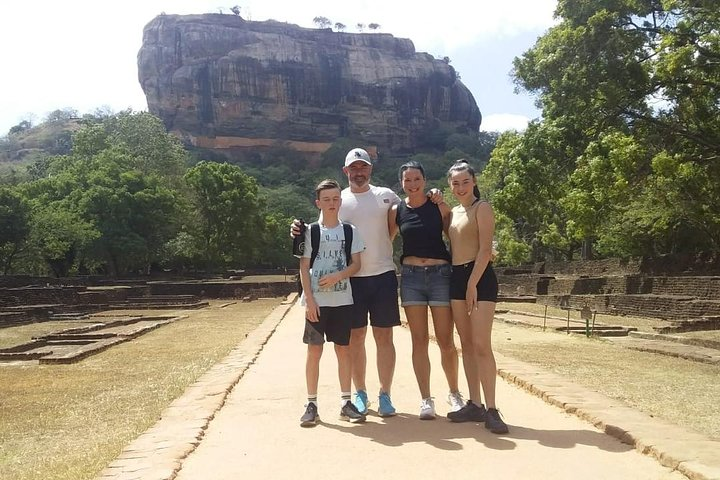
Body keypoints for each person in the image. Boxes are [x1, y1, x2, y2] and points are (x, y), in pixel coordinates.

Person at [293, 148, 401, 417]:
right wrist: (294, 230)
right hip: (352, 282)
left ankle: (385, 394)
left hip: (383, 273)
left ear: (370, 169)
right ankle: (360, 394)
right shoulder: (340, 200)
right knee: (355, 338)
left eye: (363, 167)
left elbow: (403, 217)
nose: (359, 172)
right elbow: (316, 232)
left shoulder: (386, 195)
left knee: (384, 336)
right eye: (354, 168)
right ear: (346, 172)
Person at [387, 161, 465, 420]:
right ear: (401, 183)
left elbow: (455, 234)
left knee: (445, 341)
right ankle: (425, 399)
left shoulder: (438, 206)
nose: (412, 184)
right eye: (407, 180)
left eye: (416, 178)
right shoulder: (397, 210)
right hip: (411, 278)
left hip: (440, 275)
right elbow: (385, 241)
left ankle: (454, 394)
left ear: (424, 179)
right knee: (418, 340)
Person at [445, 159, 509, 434]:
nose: (461, 187)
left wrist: (473, 284)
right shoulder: (454, 213)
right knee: (466, 344)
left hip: (479, 276)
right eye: (455, 183)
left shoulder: (482, 208)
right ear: (450, 186)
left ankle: (492, 409)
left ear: (475, 182)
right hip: (456, 276)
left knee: (482, 344)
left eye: (465, 182)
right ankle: (475, 403)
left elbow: (485, 250)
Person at [298, 179, 367, 427]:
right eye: (326, 199)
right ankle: (311, 404)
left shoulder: (350, 231)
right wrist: (310, 300)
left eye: (335, 199)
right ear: (318, 202)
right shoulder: (311, 231)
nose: (331, 203)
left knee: (343, 350)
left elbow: (357, 264)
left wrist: (338, 276)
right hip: (317, 301)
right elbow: (304, 267)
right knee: (314, 351)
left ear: (341, 200)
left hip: (342, 299)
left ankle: (345, 402)